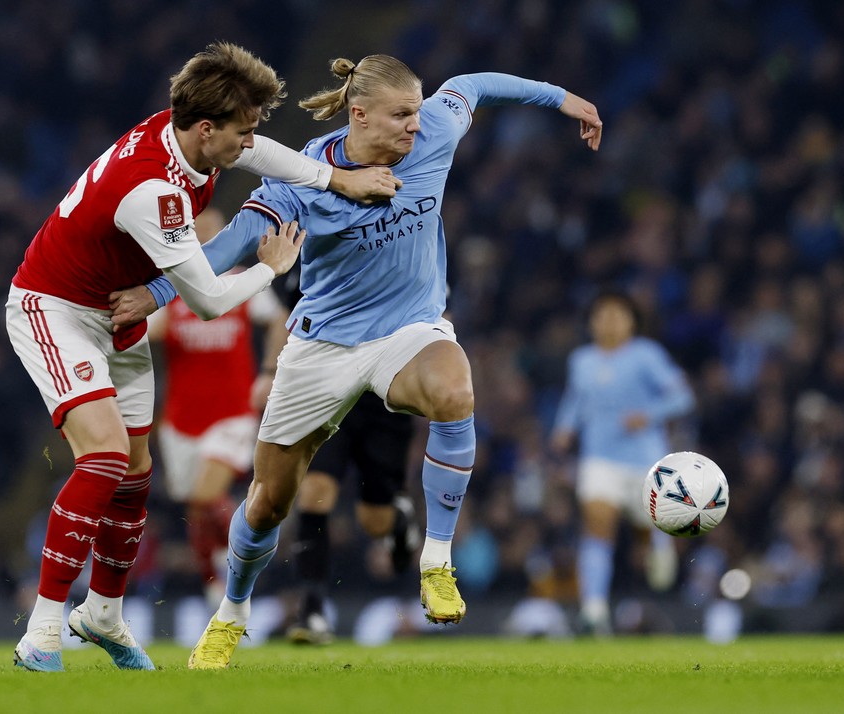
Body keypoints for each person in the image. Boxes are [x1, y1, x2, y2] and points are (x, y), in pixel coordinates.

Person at [112, 53, 602, 669]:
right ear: (359, 114)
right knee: (268, 500)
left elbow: (475, 85)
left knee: (454, 389)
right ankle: (231, 612)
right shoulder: (303, 177)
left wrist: (564, 99)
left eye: (418, 114)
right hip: (322, 345)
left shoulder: (435, 132)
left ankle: (437, 562)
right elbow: (229, 247)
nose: (414, 128)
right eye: (401, 116)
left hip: (409, 330)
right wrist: (152, 296)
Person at [4, 42, 399, 673]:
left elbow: (262, 152)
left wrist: (336, 177)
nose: (250, 143)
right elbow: (210, 301)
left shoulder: (186, 136)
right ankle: (43, 631)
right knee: (104, 457)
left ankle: (103, 614)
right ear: (207, 128)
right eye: (242, 130)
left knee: (135, 478)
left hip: (120, 314)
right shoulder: (152, 190)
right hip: (57, 310)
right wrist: (271, 267)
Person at [262, 265, 420, 645]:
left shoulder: (405, 242)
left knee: (375, 521)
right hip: (329, 390)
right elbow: (286, 313)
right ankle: (312, 608)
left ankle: (398, 520)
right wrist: (268, 371)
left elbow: (434, 318)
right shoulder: (316, 246)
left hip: (384, 397)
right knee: (315, 490)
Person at [147, 207, 287, 612]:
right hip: (181, 419)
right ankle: (213, 584)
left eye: (213, 231)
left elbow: (279, 317)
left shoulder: (242, 281)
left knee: (209, 494)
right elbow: (145, 330)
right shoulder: (171, 287)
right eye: (198, 232)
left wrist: (269, 370)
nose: (206, 239)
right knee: (195, 506)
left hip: (233, 412)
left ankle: (256, 551)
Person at [549, 289, 696, 635]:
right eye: (603, 314)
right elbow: (575, 398)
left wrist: (649, 414)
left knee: (646, 531)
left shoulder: (647, 355)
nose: (610, 321)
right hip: (599, 459)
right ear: (592, 322)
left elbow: (682, 397)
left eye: (618, 314)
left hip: (645, 460)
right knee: (598, 523)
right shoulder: (581, 360)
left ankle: (659, 545)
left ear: (632, 322)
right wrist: (564, 428)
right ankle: (594, 610)